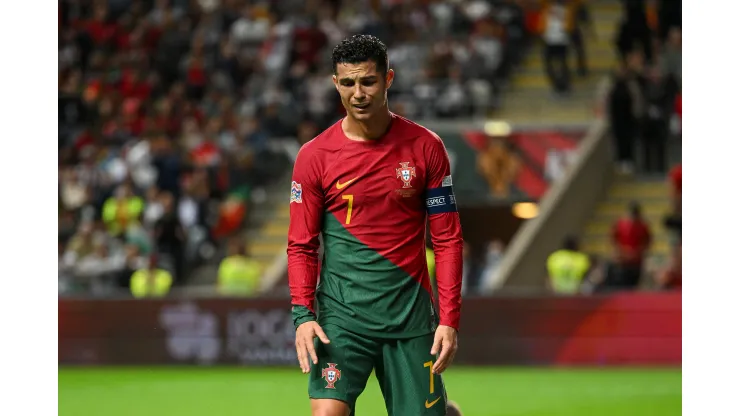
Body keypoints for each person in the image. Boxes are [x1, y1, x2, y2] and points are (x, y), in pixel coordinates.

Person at [287, 35, 464, 416]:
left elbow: (447, 239)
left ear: (388, 79)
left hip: (409, 317)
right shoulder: (314, 156)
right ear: (335, 84)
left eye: (368, 81)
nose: (358, 93)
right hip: (342, 317)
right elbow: (301, 244)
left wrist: (449, 320)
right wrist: (303, 315)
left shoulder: (426, 147)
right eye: (348, 83)